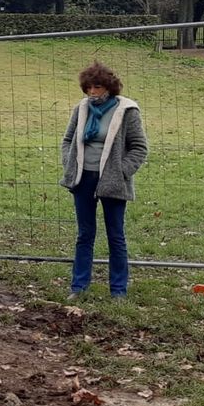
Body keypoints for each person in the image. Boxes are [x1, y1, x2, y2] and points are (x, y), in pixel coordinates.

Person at [59, 62, 148, 298]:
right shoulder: (82, 109)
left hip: (112, 182)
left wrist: (121, 172)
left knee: (115, 235)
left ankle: (118, 290)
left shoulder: (127, 110)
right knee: (84, 234)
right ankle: (78, 287)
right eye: (88, 87)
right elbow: (67, 140)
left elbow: (139, 148)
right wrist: (70, 164)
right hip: (82, 179)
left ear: (108, 87)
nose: (92, 92)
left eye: (96, 87)